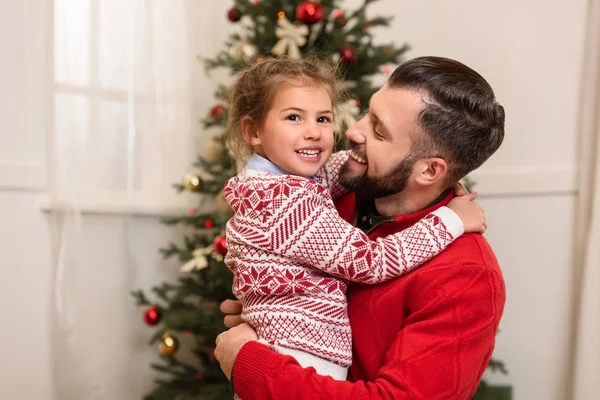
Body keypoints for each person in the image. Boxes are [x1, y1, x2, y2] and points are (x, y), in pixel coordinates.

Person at [215, 56, 506, 400]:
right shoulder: (330, 195)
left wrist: (249, 360)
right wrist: (266, 314)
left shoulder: (466, 277)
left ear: (430, 172)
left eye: (378, 130)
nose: (351, 130)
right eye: (367, 113)